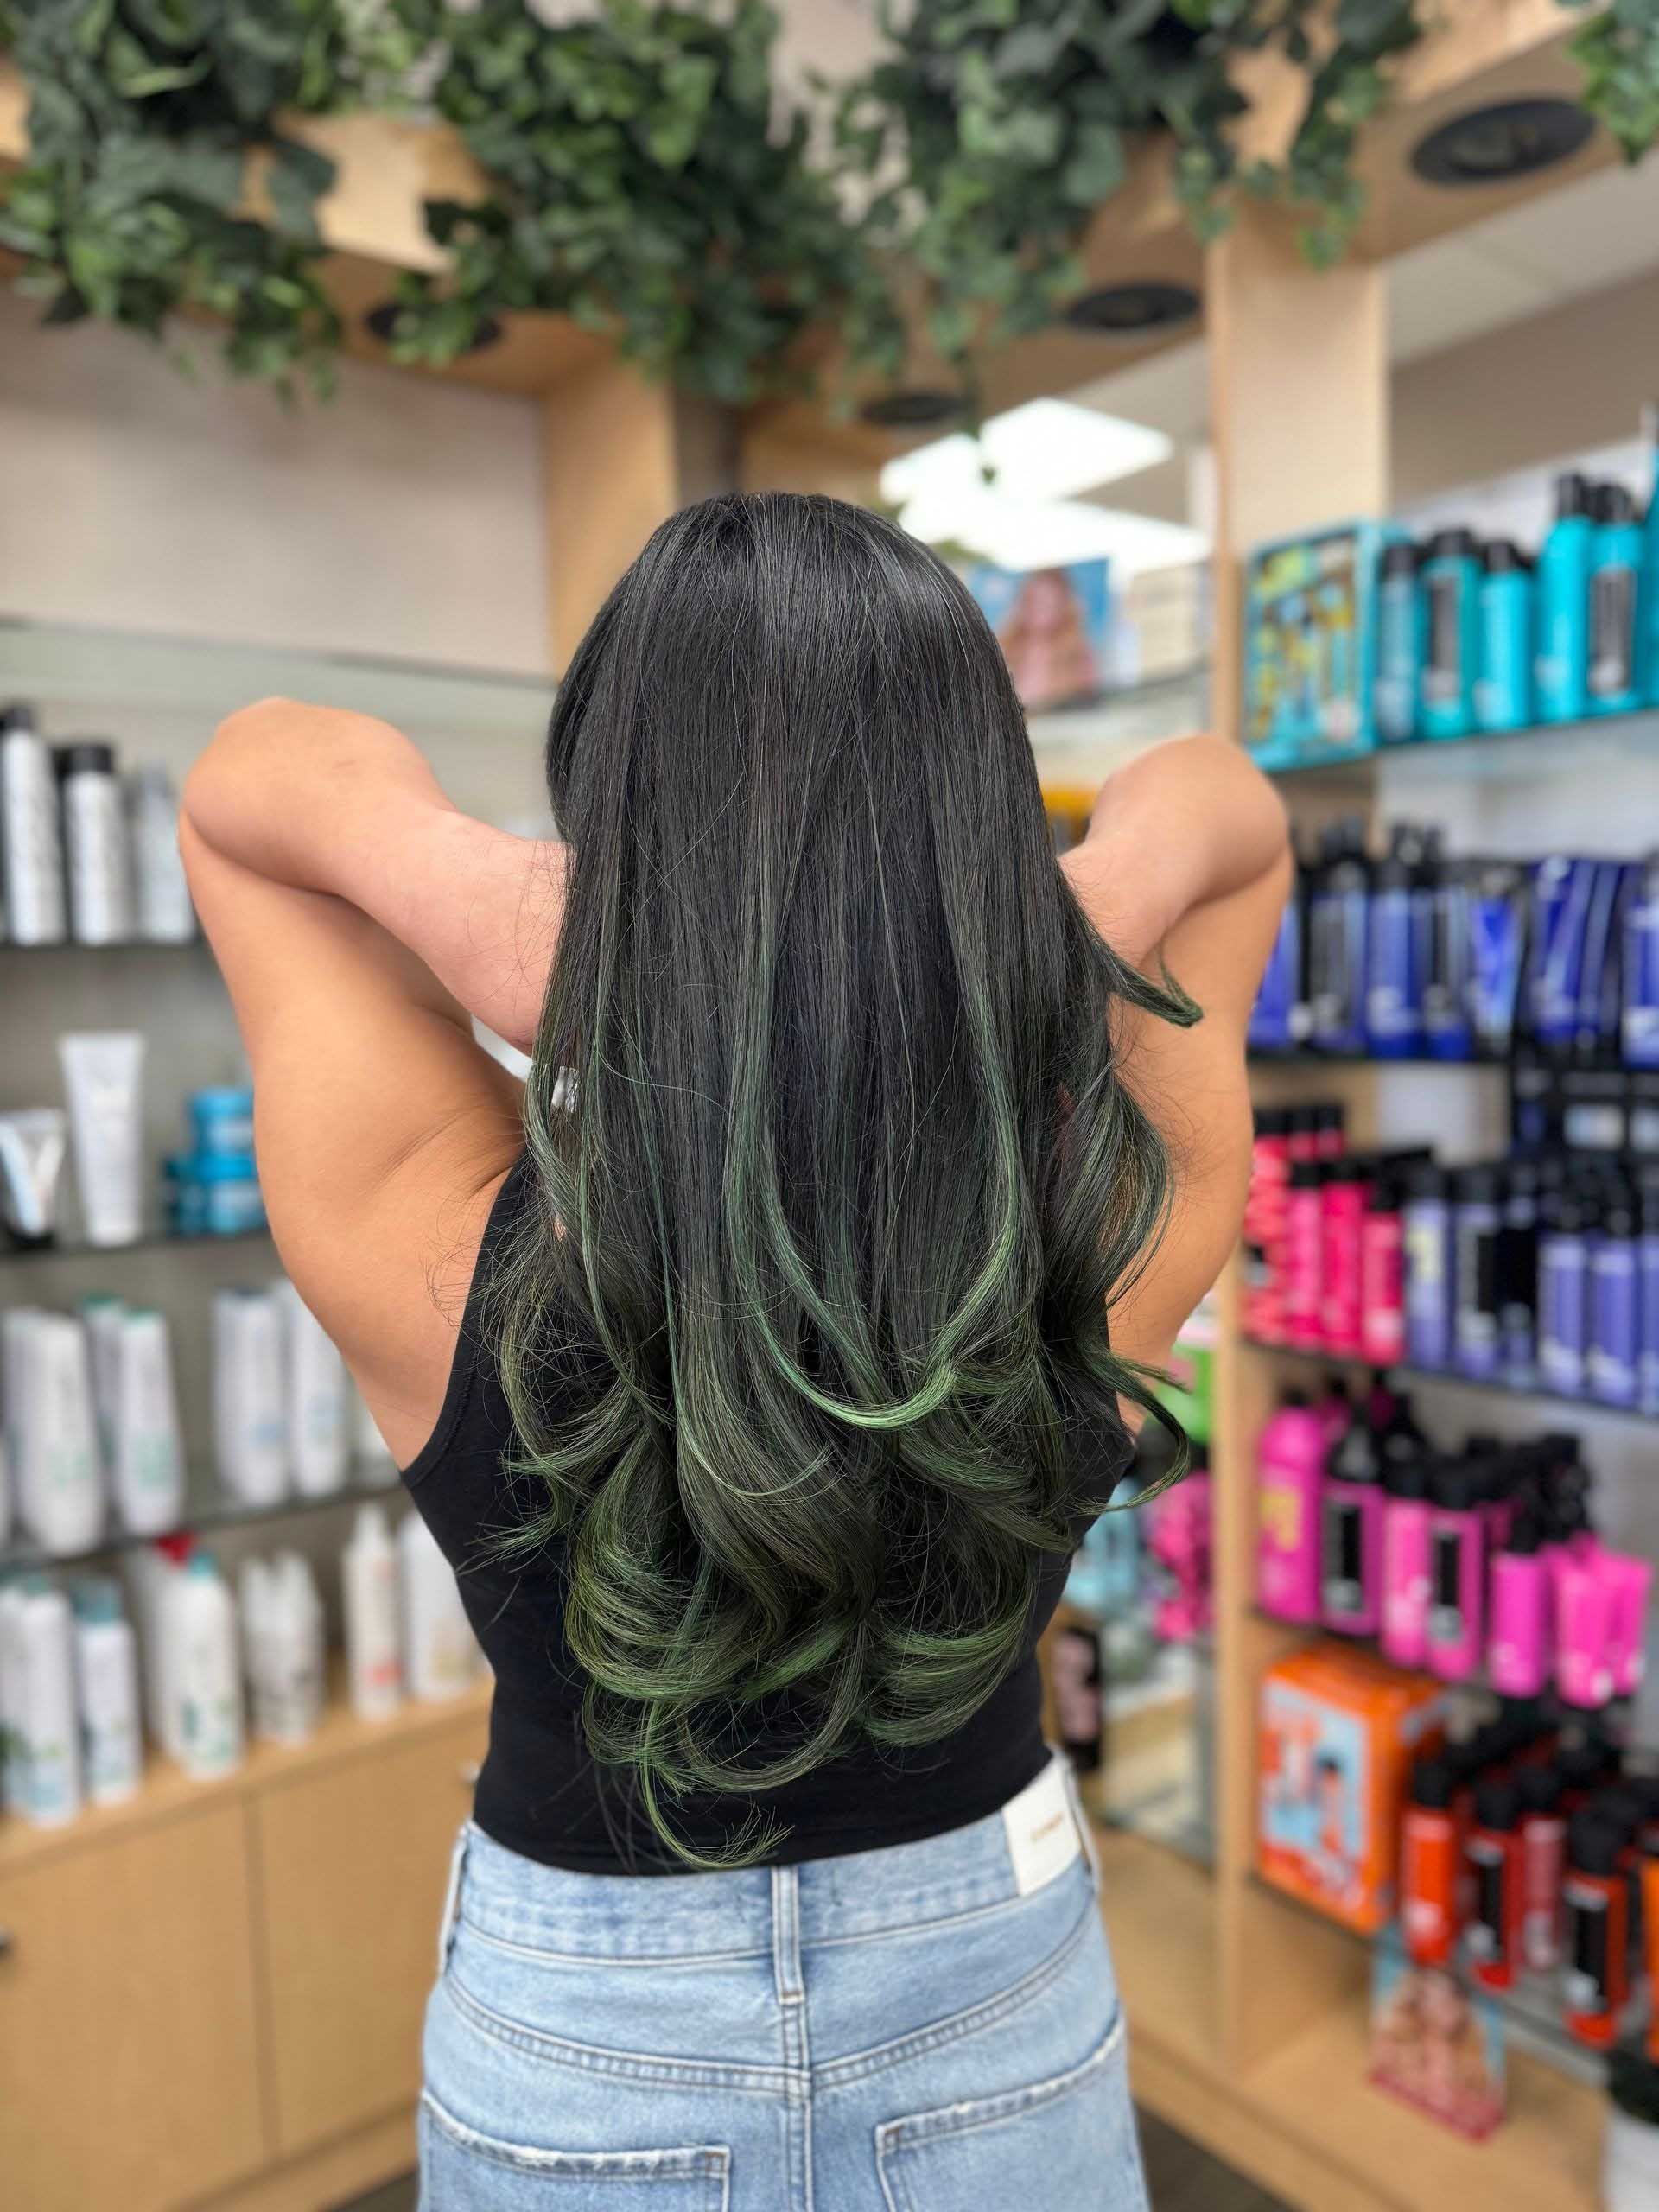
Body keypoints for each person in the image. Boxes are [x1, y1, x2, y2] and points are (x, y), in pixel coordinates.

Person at [181, 492, 1289, 2212]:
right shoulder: (1105, 1238)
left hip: (582, 2032)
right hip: (991, 1990)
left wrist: (494, 907)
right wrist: (1043, 936)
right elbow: (1231, 807)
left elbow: (244, 781)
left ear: (605, 817)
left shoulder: (432, 1233)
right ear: (981, 817)